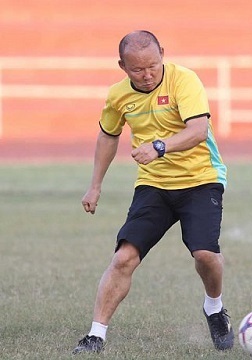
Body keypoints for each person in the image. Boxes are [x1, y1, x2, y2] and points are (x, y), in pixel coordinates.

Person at [73, 30, 233, 354]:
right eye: (137, 70)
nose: (147, 75)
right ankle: (95, 335)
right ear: (122, 66)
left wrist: (160, 146)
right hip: (154, 185)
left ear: (163, 53)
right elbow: (108, 135)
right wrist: (95, 185)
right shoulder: (118, 96)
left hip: (200, 179)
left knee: (204, 254)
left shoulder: (183, 81)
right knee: (123, 257)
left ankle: (214, 308)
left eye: (153, 66)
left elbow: (198, 130)